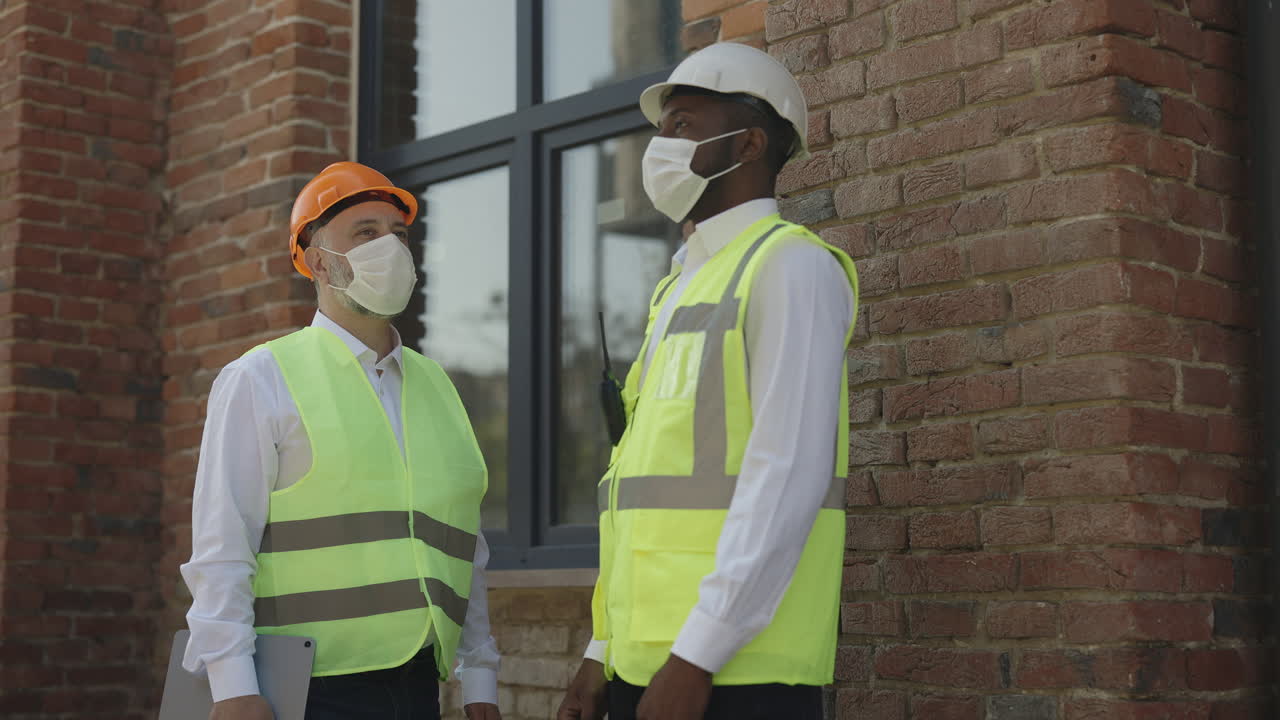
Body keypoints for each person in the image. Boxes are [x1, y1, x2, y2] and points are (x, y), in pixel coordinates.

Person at [556, 42, 860, 720]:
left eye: (683, 125)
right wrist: (601, 649)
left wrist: (697, 656)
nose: (660, 146)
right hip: (650, 666)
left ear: (749, 143)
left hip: (734, 674)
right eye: (661, 128)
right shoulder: (679, 284)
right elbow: (639, 493)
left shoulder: (790, 269)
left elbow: (786, 476)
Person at [181, 162, 502, 720]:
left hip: (419, 684)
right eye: (366, 233)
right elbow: (222, 546)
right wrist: (232, 687)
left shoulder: (439, 387)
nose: (392, 248)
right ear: (317, 261)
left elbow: (463, 550)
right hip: (302, 691)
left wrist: (480, 685)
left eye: (398, 234)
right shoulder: (260, 379)